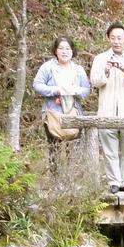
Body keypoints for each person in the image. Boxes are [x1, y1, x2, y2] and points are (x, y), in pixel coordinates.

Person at [90, 22, 124, 194]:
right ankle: (114, 181)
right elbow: (94, 82)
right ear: (108, 39)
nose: (116, 41)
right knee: (109, 150)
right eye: (113, 38)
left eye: (120, 38)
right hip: (106, 110)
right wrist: (105, 72)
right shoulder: (100, 59)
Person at [33, 36, 91, 167]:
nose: (64, 52)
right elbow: (37, 85)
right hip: (53, 113)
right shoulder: (47, 67)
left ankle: (73, 177)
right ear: (55, 50)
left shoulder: (78, 70)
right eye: (61, 48)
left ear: (72, 51)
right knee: (55, 150)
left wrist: (72, 90)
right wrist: (56, 90)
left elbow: (86, 90)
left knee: (74, 149)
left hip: (74, 113)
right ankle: (56, 177)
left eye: (68, 49)